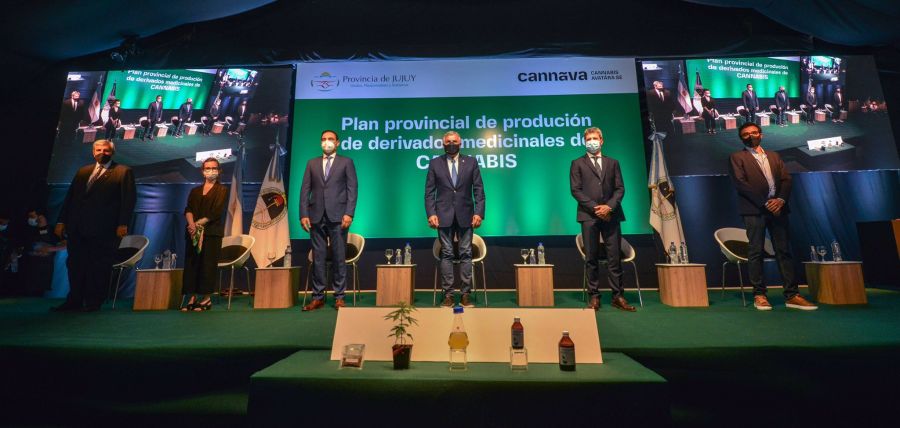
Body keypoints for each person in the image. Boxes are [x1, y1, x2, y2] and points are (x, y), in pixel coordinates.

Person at [728, 123, 818, 311]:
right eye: (745, 134)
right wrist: (766, 204)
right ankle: (759, 295)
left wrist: (781, 200)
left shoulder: (774, 156)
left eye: (754, 132)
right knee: (756, 251)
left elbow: (786, 179)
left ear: (761, 134)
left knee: (783, 251)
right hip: (754, 210)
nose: (750, 136)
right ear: (741, 138)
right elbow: (740, 183)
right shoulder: (737, 157)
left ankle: (792, 295)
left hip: (779, 208)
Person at [54, 140, 136, 312]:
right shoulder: (83, 171)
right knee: (75, 265)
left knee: (98, 266)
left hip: (104, 229)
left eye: (106, 150)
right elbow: (70, 198)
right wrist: (61, 221)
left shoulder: (123, 171)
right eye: (98, 150)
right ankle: (74, 301)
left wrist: (123, 223)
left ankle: (93, 302)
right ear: (93, 152)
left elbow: (128, 200)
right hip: (78, 228)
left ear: (112, 153)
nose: (101, 153)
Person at [570, 127, 635, 312]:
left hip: (611, 215)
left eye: (594, 138)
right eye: (588, 139)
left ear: (601, 140)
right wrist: (596, 208)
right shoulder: (577, 163)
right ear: (584, 142)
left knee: (614, 257)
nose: (591, 141)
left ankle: (618, 296)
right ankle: (594, 297)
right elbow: (575, 190)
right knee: (591, 258)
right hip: (588, 216)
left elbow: (620, 188)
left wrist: (609, 207)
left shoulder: (613, 162)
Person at [299, 130, 358, 311]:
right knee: (318, 258)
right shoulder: (312, 163)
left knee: (339, 257)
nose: (327, 142)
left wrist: (349, 213)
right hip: (316, 215)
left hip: (339, 216)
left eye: (330, 139)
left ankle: (339, 297)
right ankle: (318, 297)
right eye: (324, 139)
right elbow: (305, 190)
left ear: (337, 143)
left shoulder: (346, 162)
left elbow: (352, 189)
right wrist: (303, 214)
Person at [425, 130, 485, 308]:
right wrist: (431, 213)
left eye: (454, 141)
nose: (451, 144)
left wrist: (479, 212)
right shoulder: (435, 163)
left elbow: (479, 190)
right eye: (448, 142)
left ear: (460, 143)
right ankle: (448, 295)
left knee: (466, 253)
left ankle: (465, 294)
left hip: (466, 215)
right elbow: (429, 192)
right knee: (447, 254)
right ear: (443, 144)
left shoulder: (471, 162)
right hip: (443, 215)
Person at [181, 158, 228, 311]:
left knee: (208, 265)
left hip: (211, 233)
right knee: (192, 265)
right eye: (207, 168)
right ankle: (192, 297)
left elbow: (216, 212)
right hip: (193, 232)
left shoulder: (222, 190)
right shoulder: (195, 191)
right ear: (202, 171)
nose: (211, 171)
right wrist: (191, 224)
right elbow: (188, 209)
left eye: (214, 168)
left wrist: (198, 224)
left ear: (219, 171)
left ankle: (206, 298)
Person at [21, 209, 64, 296]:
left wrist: (49, 249)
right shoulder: (29, 230)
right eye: (29, 216)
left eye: (33, 216)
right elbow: (26, 246)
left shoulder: (51, 230)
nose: (31, 219)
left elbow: (60, 243)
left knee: (40, 290)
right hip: (30, 266)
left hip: (45, 266)